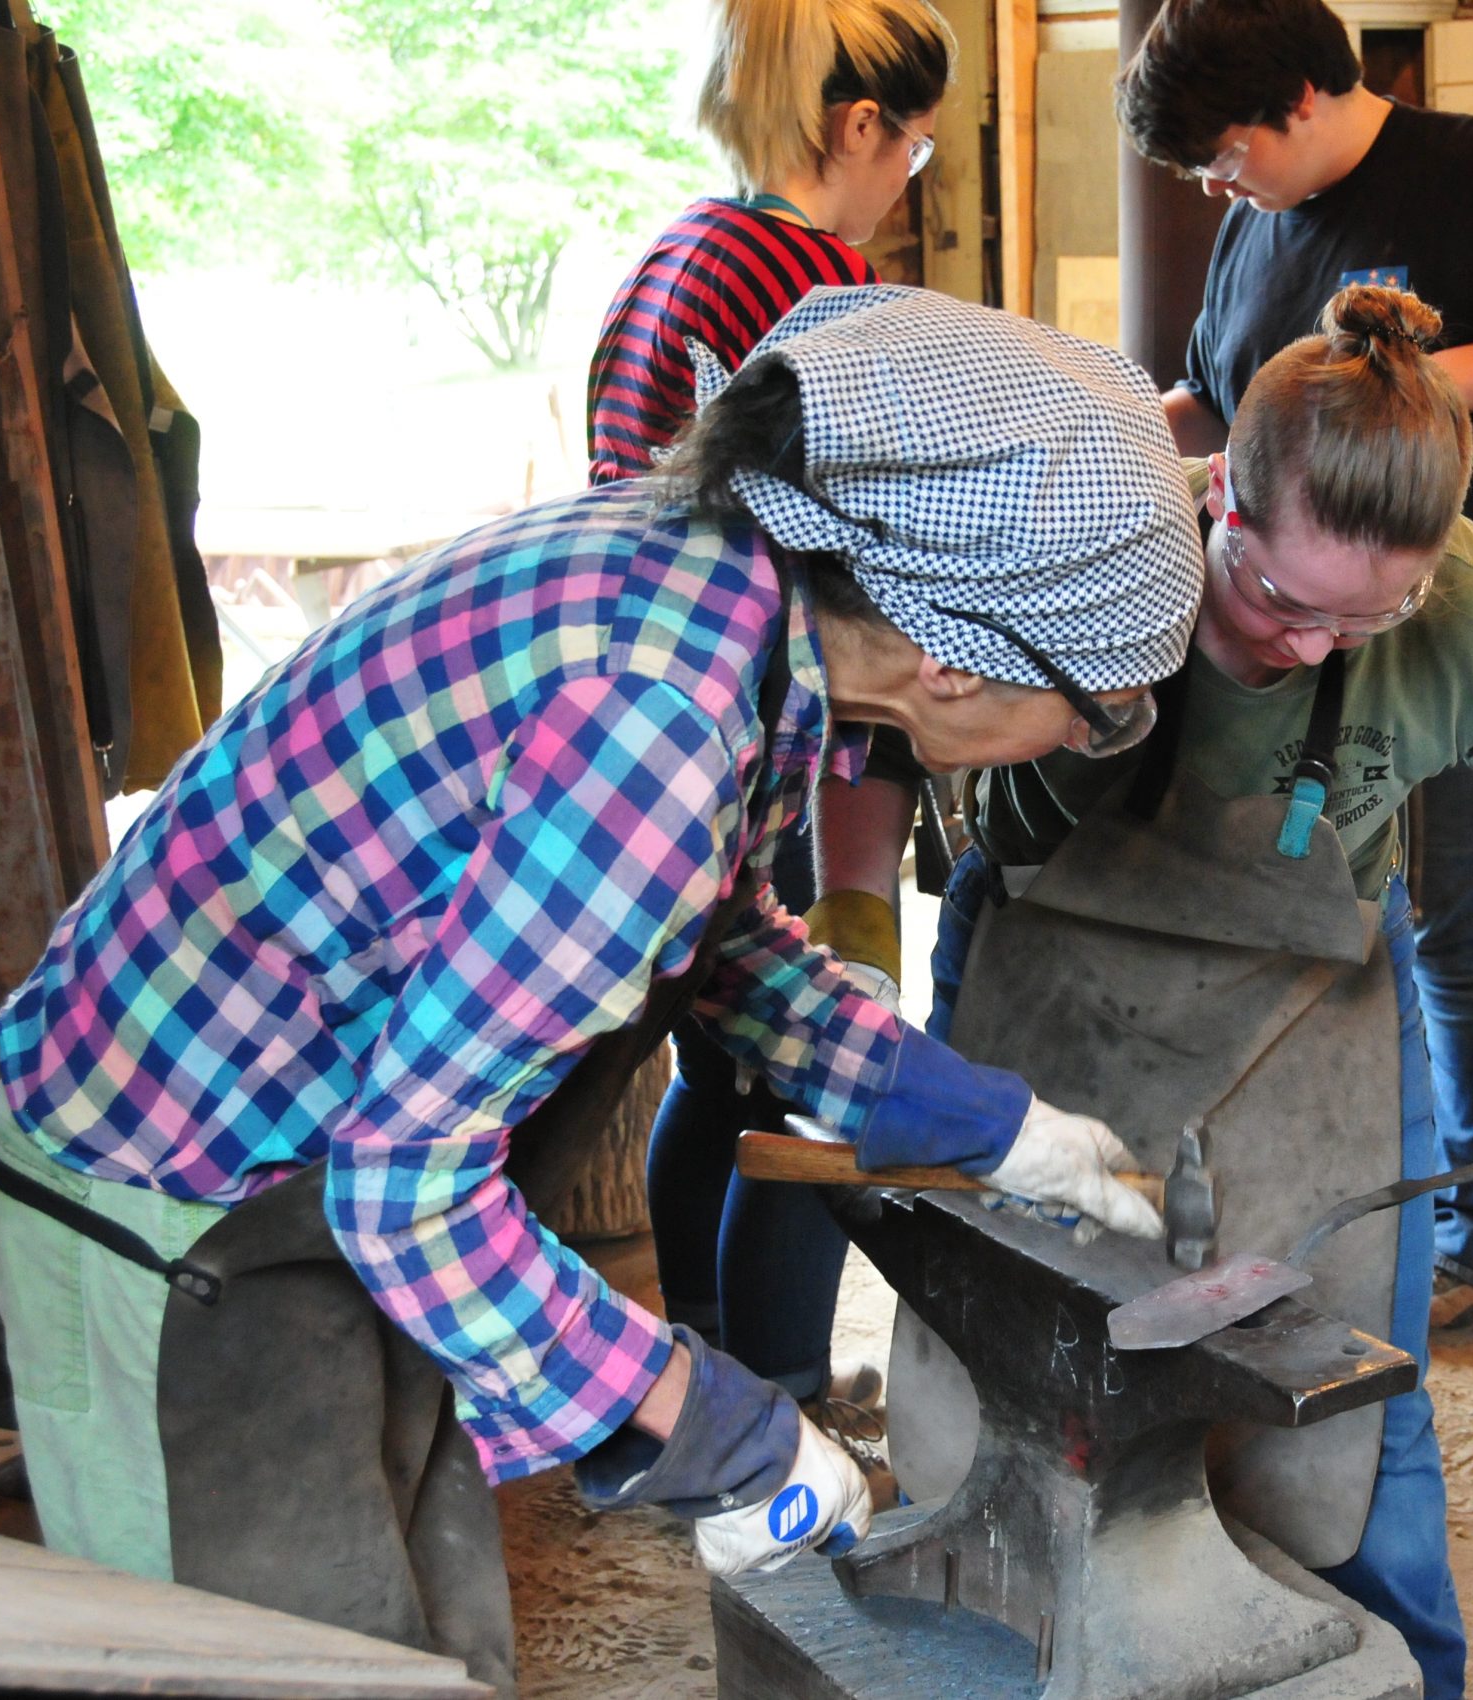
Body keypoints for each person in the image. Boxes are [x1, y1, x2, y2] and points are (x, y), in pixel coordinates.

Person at [0, 287, 1199, 1698]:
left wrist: (988, 1124)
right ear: (952, 659)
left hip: (323, 1144)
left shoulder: (732, 600)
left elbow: (714, 941)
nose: (1094, 731)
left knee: (431, 1637)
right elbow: (409, 1190)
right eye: (1099, 701)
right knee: (270, 1663)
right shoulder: (660, 716)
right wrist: (716, 1431)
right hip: (169, 1189)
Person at [919, 286, 1473, 1697]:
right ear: (1220, 500)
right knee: (992, 1345)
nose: (1308, 649)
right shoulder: (1102, 547)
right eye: (1279, 602)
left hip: (1313, 993)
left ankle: (1405, 1673)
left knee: (1352, 1384)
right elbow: (879, 723)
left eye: (1368, 620)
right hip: (1048, 965)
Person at [1116, 0, 1473, 1343]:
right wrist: (1112, 436)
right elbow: (1222, 397)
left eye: (1225, 152)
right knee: (1329, 900)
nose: (1214, 185)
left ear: (1301, 101)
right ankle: (1335, 1196)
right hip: (1302, 575)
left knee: (1468, 929)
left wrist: (1410, 390)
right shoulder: (1259, 229)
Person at [584, 0, 949, 1444]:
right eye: (912, 150)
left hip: (664, 723)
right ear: (859, 127)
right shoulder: (811, 284)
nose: (902, 179)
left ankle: (704, 1366)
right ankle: (780, 1408)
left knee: (714, 1058)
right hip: (771, 725)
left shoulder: (681, 252)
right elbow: (863, 535)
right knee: (810, 1073)